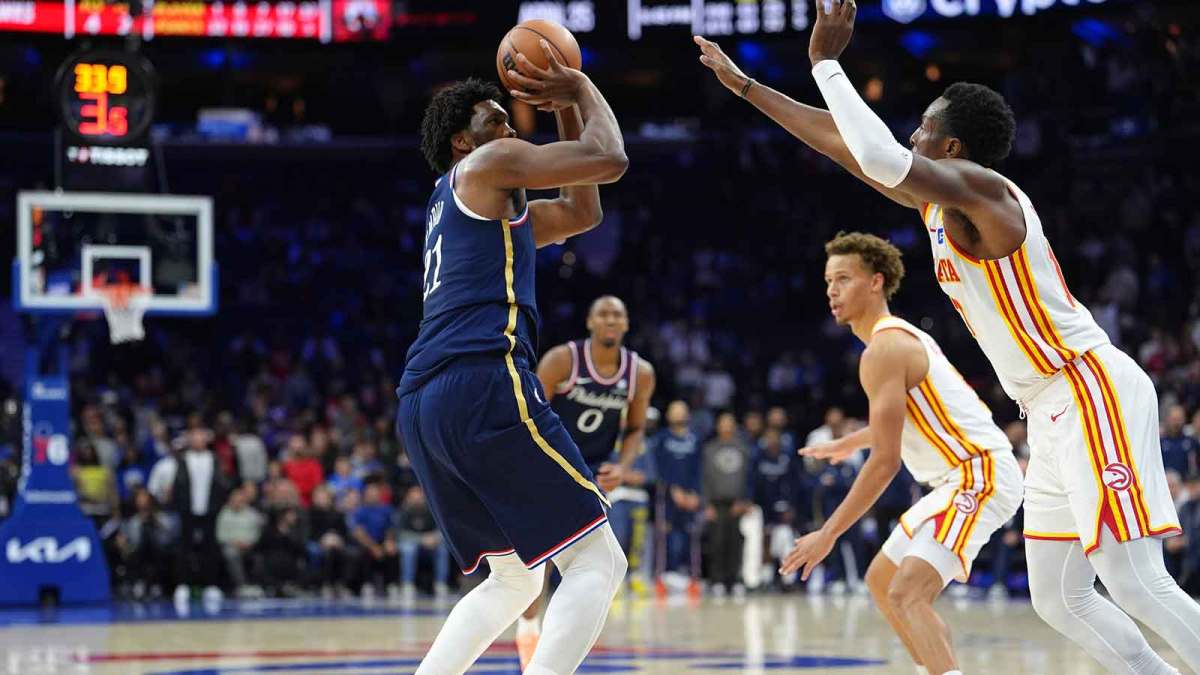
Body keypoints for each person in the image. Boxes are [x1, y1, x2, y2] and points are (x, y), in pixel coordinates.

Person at [696, 4, 1200, 671]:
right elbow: (846, 144)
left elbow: (874, 151)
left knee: (1134, 578)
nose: (911, 133)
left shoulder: (984, 195)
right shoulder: (939, 202)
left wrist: (825, 62)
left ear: (951, 147)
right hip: (1047, 408)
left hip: (1087, 383)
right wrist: (749, 88)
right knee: (1058, 596)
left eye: (924, 126)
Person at [395, 40, 629, 675]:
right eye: (492, 120)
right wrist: (579, 86)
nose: (507, 127)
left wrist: (563, 110)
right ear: (463, 144)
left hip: (422, 406)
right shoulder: (487, 166)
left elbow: (582, 208)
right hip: (480, 379)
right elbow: (609, 160)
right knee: (599, 560)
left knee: (513, 580)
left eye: (509, 116)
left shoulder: (467, 206)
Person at [783, 233, 1022, 675]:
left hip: (979, 474)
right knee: (883, 581)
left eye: (844, 279)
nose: (832, 290)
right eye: (828, 280)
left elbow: (887, 462)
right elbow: (908, 420)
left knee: (907, 593)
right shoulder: (893, 340)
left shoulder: (885, 349)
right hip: (958, 477)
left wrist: (828, 533)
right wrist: (848, 442)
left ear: (876, 282)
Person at [512, 295, 656, 669]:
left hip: (593, 472)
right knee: (542, 560)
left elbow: (636, 428)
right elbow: (529, 410)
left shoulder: (640, 373)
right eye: (603, 313)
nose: (611, 319)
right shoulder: (563, 360)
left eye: (618, 314)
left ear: (626, 324)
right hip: (549, 462)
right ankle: (529, 631)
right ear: (590, 322)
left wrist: (623, 466)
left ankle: (551, 642)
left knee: (599, 563)